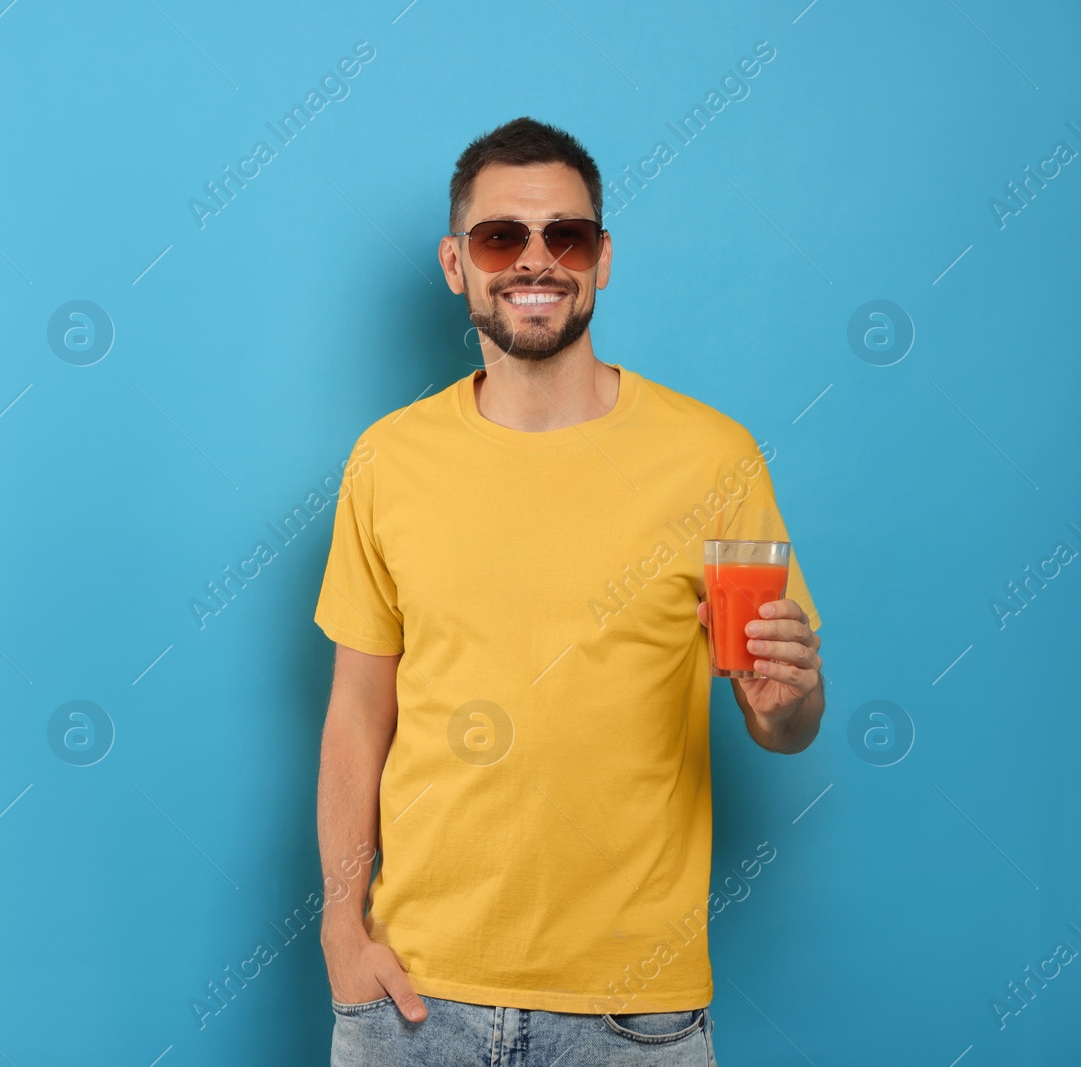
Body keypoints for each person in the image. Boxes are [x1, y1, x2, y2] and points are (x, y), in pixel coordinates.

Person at [313, 117, 824, 1066]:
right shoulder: (388, 460)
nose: (535, 261)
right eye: (502, 236)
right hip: (414, 1000)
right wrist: (343, 927)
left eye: (568, 236)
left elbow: (784, 721)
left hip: (635, 1015)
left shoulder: (712, 458)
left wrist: (786, 705)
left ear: (603, 260)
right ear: (455, 263)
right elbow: (356, 710)